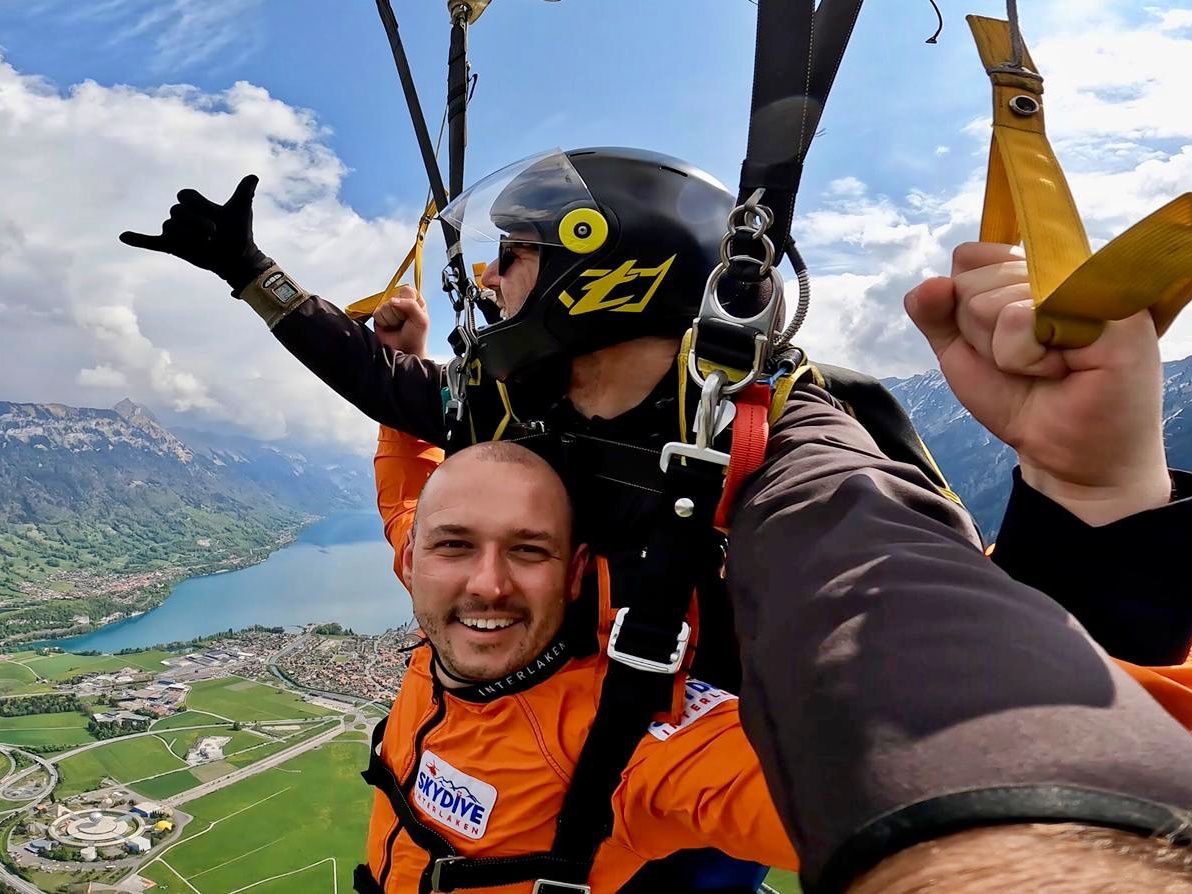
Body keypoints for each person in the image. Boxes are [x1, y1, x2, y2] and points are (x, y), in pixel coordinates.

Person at [122, 150, 1192, 893]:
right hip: (576, 738)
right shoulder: (524, 402)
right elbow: (390, 389)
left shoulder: (775, 441)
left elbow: (877, 586)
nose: (490, 284)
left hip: (678, 766)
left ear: (599, 270)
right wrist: (252, 276)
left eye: (516, 257)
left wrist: (1032, 828)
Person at [358, 437, 799, 893]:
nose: (488, 586)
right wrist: (405, 369)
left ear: (573, 574)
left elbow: (845, 807)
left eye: (528, 550)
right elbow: (403, 483)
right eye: (455, 544)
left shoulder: (621, 738)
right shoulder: (438, 596)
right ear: (411, 562)